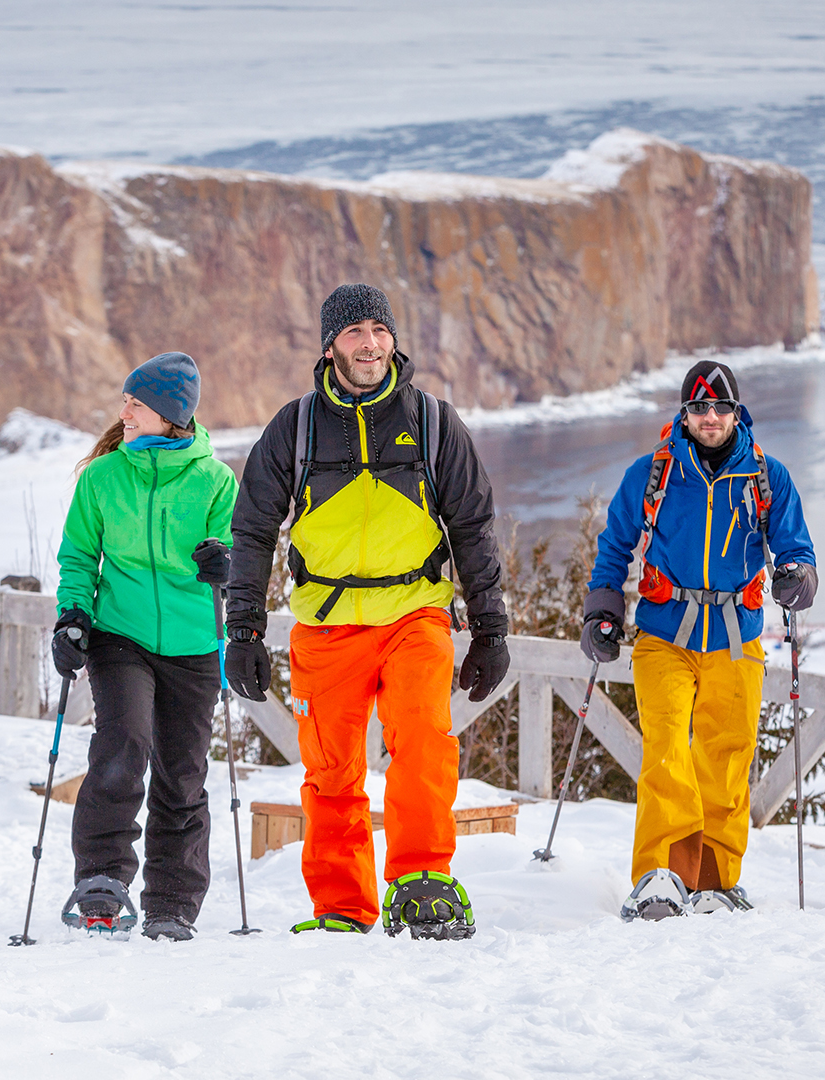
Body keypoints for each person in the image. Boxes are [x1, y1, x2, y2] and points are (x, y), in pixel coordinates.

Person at [226, 283, 510, 939]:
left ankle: (422, 882)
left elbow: (473, 527)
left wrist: (491, 630)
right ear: (331, 345)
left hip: (415, 614)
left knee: (423, 745)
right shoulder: (295, 427)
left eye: (380, 330)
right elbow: (252, 531)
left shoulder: (433, 421)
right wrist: (243, 629)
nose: (371, 344)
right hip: (326, 625)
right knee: (331, 771)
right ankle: (341, 908)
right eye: (355, 332)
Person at [581, 359, 816, 921]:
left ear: (737, 413)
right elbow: (615, 545)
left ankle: (714, 881)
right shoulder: (653, 474)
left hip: (737, 639)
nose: (711, 417)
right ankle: (659, 877)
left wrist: (798, 578)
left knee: (727, 759)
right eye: (700, 407)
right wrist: (603, 610)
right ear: (684, 413)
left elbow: (797, 548)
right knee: (666, 750)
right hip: (664, 634)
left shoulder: (767, 477)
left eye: (720, 408)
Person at [51, 352, 239, 942]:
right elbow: (79, 556)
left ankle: (173, 900)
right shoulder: (103, 477)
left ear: (169, 414)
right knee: (123, 743)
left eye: (136, 403)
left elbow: (238, 552)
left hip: (194, 641)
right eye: (126, 401)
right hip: (120, 635)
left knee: (182, 772)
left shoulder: (216, 480)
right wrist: (72, 615)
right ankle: (102, 879)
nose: (125, 412)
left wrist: (225, 563)